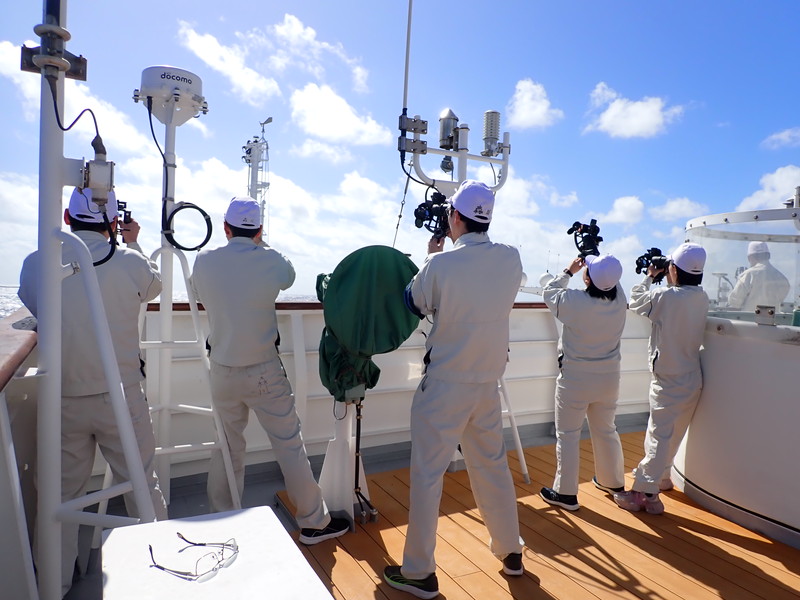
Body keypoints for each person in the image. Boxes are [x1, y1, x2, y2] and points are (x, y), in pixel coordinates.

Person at [18, 187, 168, 597]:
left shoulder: (36, 264)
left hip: (62, 399)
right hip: (121, 396)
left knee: (59, 495)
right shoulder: (130, 261)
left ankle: (54, 585)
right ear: (112, 222)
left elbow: (34, 304)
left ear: (68, 219)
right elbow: (153, 287)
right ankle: (163, 579)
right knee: (142, 485)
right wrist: (132, 241)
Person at [384, 180, 525, 599]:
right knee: (493, 468)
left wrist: (431, 256)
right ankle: (511, 551)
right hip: (486, 385)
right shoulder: (511, 258)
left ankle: (419, 572)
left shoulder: (440, 264)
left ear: (456, 218)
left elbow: (413, 302)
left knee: (428, 476)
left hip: (445, 385)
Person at [190, 197, 348, 544]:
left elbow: (196, 290)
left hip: (222, 370)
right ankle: (313, 523)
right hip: (263, 371)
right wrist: (262, 244)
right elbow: (289, 277)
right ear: (259, 230)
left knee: (226, 447)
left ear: (225, 227)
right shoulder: (270, 259)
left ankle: (222, 520)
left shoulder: (204, 260)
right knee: (289, 445)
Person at [614, 242, 709, 515]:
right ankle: (663, 478)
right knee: (674, 434)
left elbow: (636, 301)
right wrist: (668, 273)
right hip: (692, 376)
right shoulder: (702, 297)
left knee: (658, 436)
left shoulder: (666, 297)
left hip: (667, 378)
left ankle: (645, 494)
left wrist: (649, 275)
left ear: (674, 271)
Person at [539, 253, 627, 511]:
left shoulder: (574, 301)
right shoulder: (619, 299)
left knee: (568, 435)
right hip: (609, 378)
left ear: (587, 278)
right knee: (606, 429)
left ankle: (566, 493)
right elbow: (610, 280)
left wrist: (569, 271)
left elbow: (549, 292)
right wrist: (595, 262)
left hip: (576, 379)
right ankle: (612, 482)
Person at [727, 241, 789, 312]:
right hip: (773, 318)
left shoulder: (749, 275)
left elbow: (734, 303)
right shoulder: (782, 278)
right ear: (768, 256)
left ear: (750, 257)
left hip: (748, 319)